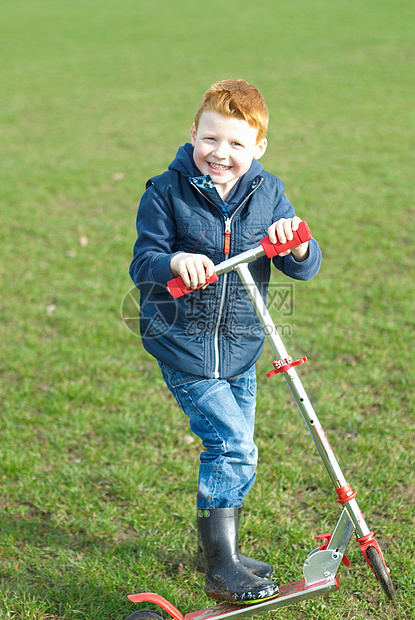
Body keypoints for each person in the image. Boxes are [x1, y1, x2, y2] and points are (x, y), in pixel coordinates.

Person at [129, 80, 322, 604]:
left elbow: (300, 260)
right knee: (233, 446)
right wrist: (173, 261)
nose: (221, 153)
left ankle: (219, 550)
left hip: (241, 347)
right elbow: (143, 262)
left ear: (258, 148)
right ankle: (221, 568)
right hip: (186, 348)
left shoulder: (269, 192)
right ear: (193, 132)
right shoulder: (165, 192)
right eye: (211, 139)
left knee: (236, 449)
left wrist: (299, 246)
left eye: (237, 144)